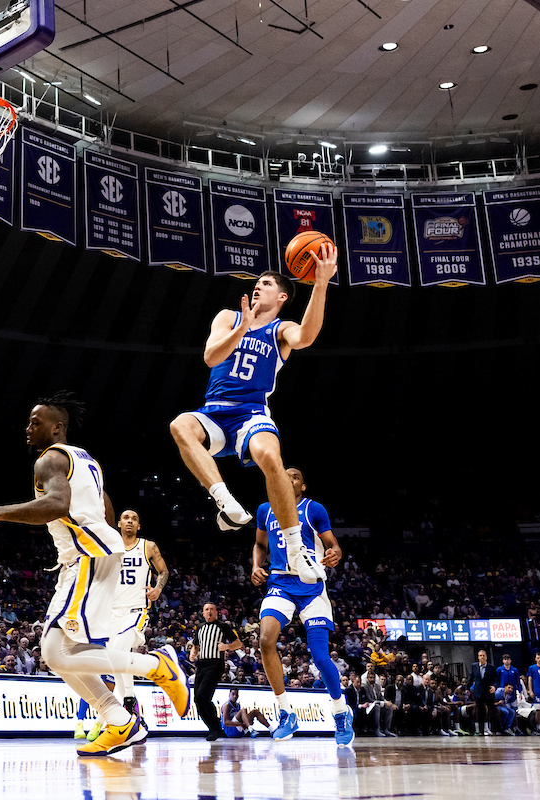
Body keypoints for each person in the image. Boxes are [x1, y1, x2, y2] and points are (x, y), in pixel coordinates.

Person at [0, 392, 189, 757]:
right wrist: (108, 545)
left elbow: (56, 505)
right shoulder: (86, 459)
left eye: (36, 422)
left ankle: (156, 666)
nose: (28, 428)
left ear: (57, 427)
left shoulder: (49, 459)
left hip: (86, 556)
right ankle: (119, 720)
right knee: (58, 653)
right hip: (93, 554)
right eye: (29, 421)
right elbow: (105, 508)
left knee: (56, 653)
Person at [169, 249, 338, 585]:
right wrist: (242, 327)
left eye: (265, 284)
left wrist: (320, 284)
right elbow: (209, 357)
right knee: (179, 425)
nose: (257, 287)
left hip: (251, 412)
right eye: (256, 283)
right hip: (215, 411)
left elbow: (305, 337)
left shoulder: (281, 329)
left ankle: (295, 548)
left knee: (270, 456)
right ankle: (226, 503)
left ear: (282, 295)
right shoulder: (227, 317)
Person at [250, 467, 351, 744]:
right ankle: (286, 713)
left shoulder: (313, 509)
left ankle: (340, 712)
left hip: (312, 587)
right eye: (284, 474)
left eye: (294, 476)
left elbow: (334, 545)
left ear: (302, 486)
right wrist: (256, 566)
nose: (288, 478)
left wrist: (334, 554)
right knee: (266, 640)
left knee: (319, 656)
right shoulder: (264, 510)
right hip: (280, 584)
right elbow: (259, 544)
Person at [108, 508, 169, 721]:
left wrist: (158, 588)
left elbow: (163, 571)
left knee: (119, 651)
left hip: (136, 610)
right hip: (111, 612)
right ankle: (130, 702)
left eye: (135, 519)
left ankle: (127, 701)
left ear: (139, 526)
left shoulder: (148, 546)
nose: (130, 522)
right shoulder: (109, 545)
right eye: (126, 518)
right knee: (118, 658)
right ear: (118, 523)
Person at [190, 602, 241, 741]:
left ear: (216, 612)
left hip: (215, 664)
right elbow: (196, 645)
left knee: (202, 696)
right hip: (201, 665)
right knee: (198, 700)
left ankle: (215, 728)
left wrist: (227, 646)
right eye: (207, 609)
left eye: (212, 609)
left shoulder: (223, 626)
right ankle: (214, 728)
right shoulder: (199, 627)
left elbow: (239, 643)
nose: (209, 611)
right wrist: (192, 653)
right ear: (203, 613)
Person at [468, 649, 494, 735]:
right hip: (478, 692)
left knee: (490, 710)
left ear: (486, 657)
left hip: (488, 691)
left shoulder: (491, 667)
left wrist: (494, 686)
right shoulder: (474, 666)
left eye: (483, 655)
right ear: (478, 657)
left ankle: (490, 729)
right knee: (479, 711)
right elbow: (471, 677)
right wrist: (467, 688)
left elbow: (496, 679)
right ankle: (480, 730)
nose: (482, 657)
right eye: (480, 655)